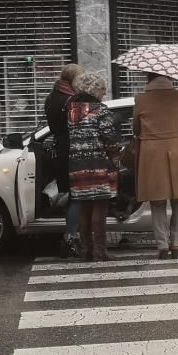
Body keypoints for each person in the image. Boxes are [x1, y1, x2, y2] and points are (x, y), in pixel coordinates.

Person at [134, 73, 178, 259]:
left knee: (157, 200)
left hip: (152, 152)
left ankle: (162, 246)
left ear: (148, 77)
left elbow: (136, 129)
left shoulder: (141, 99)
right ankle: (177, 244)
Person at [67, 72, 118, 262]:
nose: (103, 93)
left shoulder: (73, 110)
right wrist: (115, 152)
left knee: (84, 207)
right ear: (94, 89)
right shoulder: (100, 109)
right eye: (102, 90)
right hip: (98, 163)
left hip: (77, 165)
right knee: (100, 207)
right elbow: (110, 138)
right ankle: (100, 251)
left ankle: (86, 250)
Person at [44, 63, 84, 257]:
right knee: (75, 196)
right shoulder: (71, 100)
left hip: (61, 149)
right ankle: (70, 238)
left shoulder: (52, 97)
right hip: (71, 150)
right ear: (73, 80)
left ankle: (71, 235)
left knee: (69, 194)